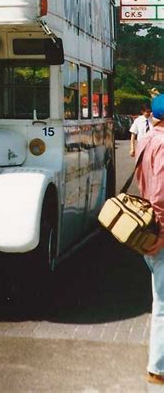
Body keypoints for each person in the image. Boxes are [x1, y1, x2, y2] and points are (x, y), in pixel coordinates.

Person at [136, 93, 164, 385]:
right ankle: (158, 367)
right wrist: (162, 235)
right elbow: (159, 195)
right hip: (160, 233)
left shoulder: (147, 139)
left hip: (149, 231)